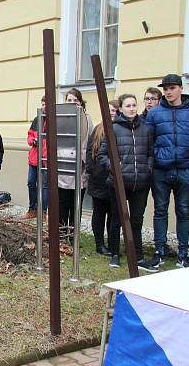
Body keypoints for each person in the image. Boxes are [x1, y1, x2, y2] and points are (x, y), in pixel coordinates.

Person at [143, 74, 189, 271]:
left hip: (184, 171)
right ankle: (159, 251)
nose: (168, 92)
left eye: (171, 88)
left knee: (184, 212)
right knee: (160, 211)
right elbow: (148, 142)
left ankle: (183, 254)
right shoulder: (155, 114)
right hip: (161, 171)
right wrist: (155, 161)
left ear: (180, 88)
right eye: (165, 89)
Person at [98, 94, 153, 268]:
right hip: (118, 183)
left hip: (140, 183)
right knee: (117, 219)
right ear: (121, 108)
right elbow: (102, 155)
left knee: (136, 221)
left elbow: (151, 153)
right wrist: (116, 167)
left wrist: (147, 168)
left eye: (134, 105)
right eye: (128, 105)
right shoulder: (113, 129)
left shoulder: (145, 128)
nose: (131, 108)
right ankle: (115, 254)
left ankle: (138, 257)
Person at [59, 89, 92, 231]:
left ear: (80, 102)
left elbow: (88, 142)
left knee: (76, 205)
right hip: (63, 168)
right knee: (62, 204)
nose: (72, 103)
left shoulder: (87, 118)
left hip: (79, 168)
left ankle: (73, 236)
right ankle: (61, 235)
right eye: (69, 100)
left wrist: (84, 162)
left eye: (75, 100)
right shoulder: (60, 118)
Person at [86, 103, 116, 257]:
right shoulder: (97, 130)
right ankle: (100, 244)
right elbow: (90, 151)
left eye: (114, 110)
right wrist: (93, 170)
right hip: (98, 179)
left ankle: (113, 243)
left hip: (114, 179)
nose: (111, 113)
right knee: (99, 213)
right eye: (109, 110)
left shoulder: (121, 129)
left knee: (113, 213)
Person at [24, 96, 49, 219]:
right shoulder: (36, 119)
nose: (44, 107)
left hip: (45, 159)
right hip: (34, 157)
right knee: (30, 183)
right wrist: (33, 140)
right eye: (43, 104)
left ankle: (43, 212)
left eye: (46, 104)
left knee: (44, 186)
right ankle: (32, 209)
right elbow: (29, 136)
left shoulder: (54, 120)